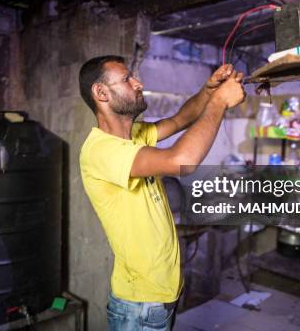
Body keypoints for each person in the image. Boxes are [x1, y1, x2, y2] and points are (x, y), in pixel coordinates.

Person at [78, 55, 245, 330]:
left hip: (157, 298)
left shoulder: (135, 135)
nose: (138, 83)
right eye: (127, 79)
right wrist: (220, 102)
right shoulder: (101, 151)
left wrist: (209, 90)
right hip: (140, 305)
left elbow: (181, 119)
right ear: (101, 93)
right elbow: (181, 160)